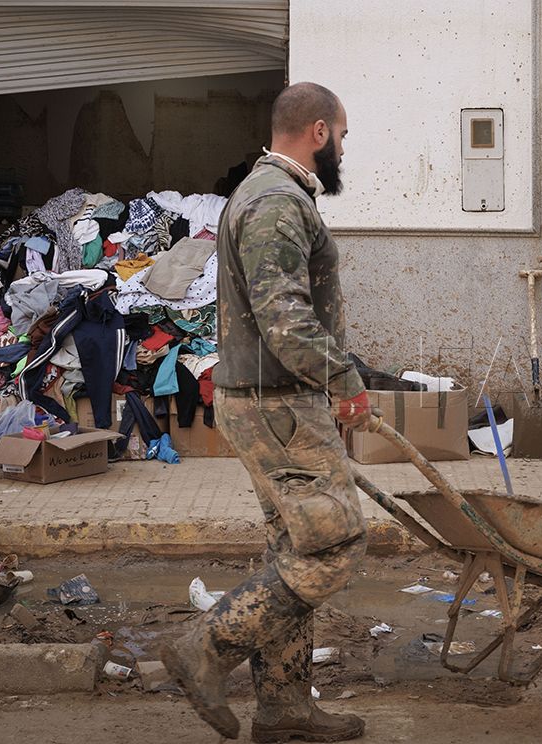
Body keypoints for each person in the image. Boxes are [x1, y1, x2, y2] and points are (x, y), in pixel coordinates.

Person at [162, 82, 372, 743]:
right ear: (317, 131)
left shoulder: (266, 195)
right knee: (334, 544)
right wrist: (344, 380)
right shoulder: (277, 204)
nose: (343, 147)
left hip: (270, 399)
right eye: (342, 135)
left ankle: (283, 708)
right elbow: (284, 319)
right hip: (277, 403)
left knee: (296, 547)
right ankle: (207, 647)